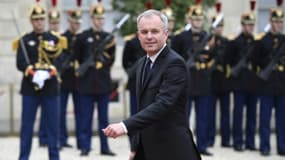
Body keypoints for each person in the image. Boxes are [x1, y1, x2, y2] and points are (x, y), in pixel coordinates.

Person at [103, 9, 201, 160]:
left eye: (155, 31)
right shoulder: (142, 63)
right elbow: (142, 107)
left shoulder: (175, 64)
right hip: (147, 149)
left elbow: (162, 105)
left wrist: (124, 126)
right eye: (144, 32)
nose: (149, 36)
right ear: (138, 35)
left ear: (166, 34)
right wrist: (135, 147)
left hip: (172, 149)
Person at [13, 1, 67, 159]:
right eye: (36, 19)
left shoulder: (55, 39)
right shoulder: (24, 40)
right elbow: (20, 62)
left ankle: (54, 157)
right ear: (31, 21)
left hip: (50, 88)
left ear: (45, 20)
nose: (39, 22)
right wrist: (32, 73)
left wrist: (48, 74)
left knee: (52, 127)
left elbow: (60, 61)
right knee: (27, 127)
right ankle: (23, 157)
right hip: (30, 89)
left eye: (42, 19)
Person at [74, 1, 116, 156]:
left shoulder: (108, 38)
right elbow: (77, 58)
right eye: (97, 19)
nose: (100, 21)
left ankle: (105, 147)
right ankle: (85, 147)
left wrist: (101, 59)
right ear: (92, 20)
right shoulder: (83, 37)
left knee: (104, 120)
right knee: (86, 118)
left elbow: (111, 59)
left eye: (102, 19)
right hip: (86, 84)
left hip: (103, 84)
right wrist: (89, 62)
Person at [172, 2, 213, 156]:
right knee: (184, 119)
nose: (197, 22)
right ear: (189, 20)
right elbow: (174, 59)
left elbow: (211, 57)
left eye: (200, 19)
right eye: (195, 19)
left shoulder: (206, 37)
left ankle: (201, 146)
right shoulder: (180, 37)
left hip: (202, 81)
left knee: (203, 118)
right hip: (186, 84)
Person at [224, 1, 259, 151]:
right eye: (248, 25)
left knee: (252, 115)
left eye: (252, 24)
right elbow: (227, 61)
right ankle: (238, 141)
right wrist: (234, 71)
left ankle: (250, 142)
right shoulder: (235, 42)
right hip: (239, 84)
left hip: (253, 83)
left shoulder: (257, 42)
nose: (250, 27)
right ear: (243, 25)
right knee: (238, 114)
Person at [254, 2, 285, 156]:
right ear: (270, 22)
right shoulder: (262, 40)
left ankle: (282, 147)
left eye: (280, 22)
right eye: (276, 22)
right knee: (265, 119)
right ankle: (265, 147)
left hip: (282, 85)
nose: (278, 25)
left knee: (282, 120)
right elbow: (255, 61)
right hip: (266, 85)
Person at [207, 1, 231, 148]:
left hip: (224, 80)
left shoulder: (227, 42)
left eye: (221, 26)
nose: (219, 29)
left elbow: (230, 59)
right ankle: (209, 139)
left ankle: (226, 140)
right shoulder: (209, 42)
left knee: (225, 113)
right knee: (210, 113)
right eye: (217, 26)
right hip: (211, 80)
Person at [58, 6, 82, 149]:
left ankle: (81, 141)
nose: (76, 25)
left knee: (80, 112)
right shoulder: (62, 37)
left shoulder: (82, 38)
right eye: (74, 22)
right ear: (69, 22)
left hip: (78, 80)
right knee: (61, 112)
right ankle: (62, 140)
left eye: (78, 23)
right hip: (64, 79)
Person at [38, 1, 61, 147]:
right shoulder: (46, 37)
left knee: (54, 114)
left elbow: (63, 58)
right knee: (43, 113)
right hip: (41, 78)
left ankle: (56, 140)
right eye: (52, 23)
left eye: (56, 22)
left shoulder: (60, 38)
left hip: (56, 80)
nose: (54, 25)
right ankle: (42, 137)